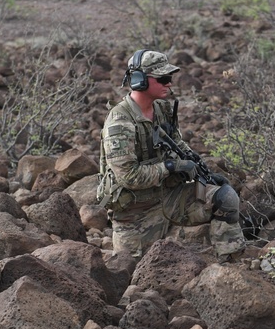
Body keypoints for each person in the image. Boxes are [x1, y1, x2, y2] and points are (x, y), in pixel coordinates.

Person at [97, 49, 246, 260]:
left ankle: (230, 268)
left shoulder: (162, 109)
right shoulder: (120, 122)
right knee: (129, 274)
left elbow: (179, 145)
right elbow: (128, 176)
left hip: (169, 197)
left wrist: (204, 173)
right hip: (135, 211)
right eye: (163, 78)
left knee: (225, 197)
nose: (169, 83)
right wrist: (169, 167)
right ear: (140, 81)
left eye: (170, 78)